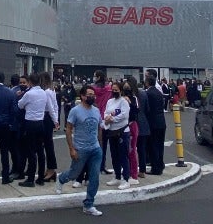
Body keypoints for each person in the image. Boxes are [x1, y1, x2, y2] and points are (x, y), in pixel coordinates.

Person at [54, 84, 104, 216]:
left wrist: (100, 144)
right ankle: (61, 179)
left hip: (95, 149)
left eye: (93, 95)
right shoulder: (75, 111)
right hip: (80, 149)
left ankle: (88, 204)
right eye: (89, 94)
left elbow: (99, 127)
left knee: (94, 177)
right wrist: (71, 149)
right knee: (74, 174)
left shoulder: (96, 110)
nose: (92, 97)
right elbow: (69, 129)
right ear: (82, 96)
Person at [17, 72, 49, 188]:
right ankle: (40, 177)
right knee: (40, 151)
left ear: (30, 82)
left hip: (30, 123)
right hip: (40, 122)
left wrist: (20, 96)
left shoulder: (29, 94)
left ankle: (30, 178)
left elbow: (20, 105)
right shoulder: (43, 93)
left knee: (31, 151)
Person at [102, 81, 131, 190]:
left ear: (120, 90)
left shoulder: (124, 102)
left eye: (116, 90)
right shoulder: (110, 101)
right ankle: (117, 176)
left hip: (122, 132)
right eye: (112, 90)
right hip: (112, 131)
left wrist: (112, 119)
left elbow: (124, 115)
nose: (114, 92)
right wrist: (107, 118)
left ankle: (126, 178)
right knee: (114, 155)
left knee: (123, 155)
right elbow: (105, 112)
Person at [144, 71, 167, 176]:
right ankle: (160, 164)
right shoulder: (158, 92)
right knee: (160, 145)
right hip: (161, 122)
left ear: (147, 83)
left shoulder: (148, 93)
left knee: (153, 145)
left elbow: (147, 109)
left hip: (153, 123)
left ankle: (155, 168)